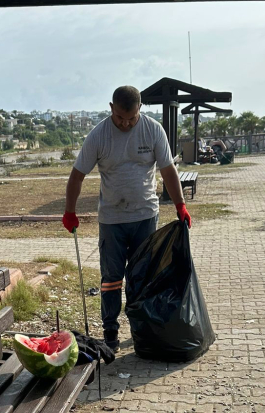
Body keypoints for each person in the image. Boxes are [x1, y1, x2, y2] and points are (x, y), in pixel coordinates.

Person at [62, 85, 191, 352]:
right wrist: (69, 210)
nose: (125, 123)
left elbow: (168, 170)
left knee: (142, 276)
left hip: (145, 216)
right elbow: (77, 175)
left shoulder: (153, 130)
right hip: (112, 220)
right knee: (111, 278)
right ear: (111, 108)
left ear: (140, 109)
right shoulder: (99, 135)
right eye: (120, 117)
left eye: (131, 118)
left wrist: (180, 205)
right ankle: (110, 330)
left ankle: (142, 327)